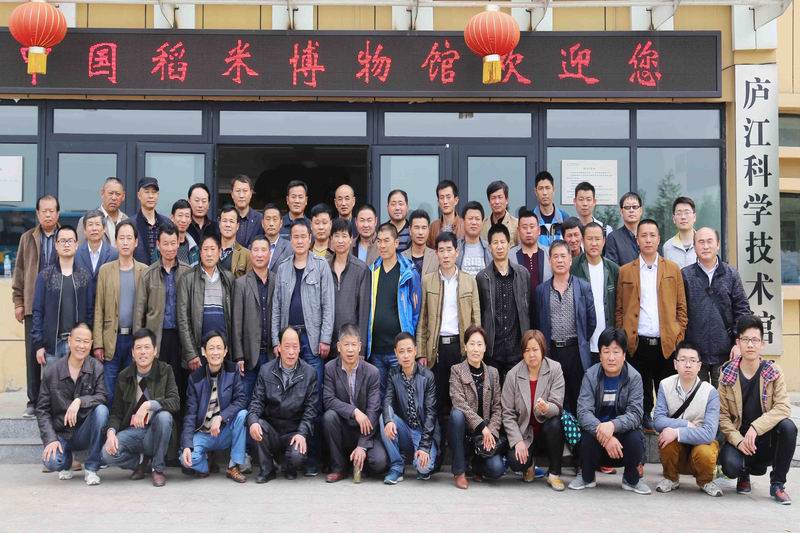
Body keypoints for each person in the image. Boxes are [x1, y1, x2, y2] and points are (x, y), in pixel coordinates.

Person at [271, 218, 335, 474]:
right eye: (294, 237)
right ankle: (292, 453)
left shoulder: (320, 266)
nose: (299, 241)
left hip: (311, 340)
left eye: (302, 236)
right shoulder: (283, 268)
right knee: (290, 399)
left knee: (314, 400)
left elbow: (328, 305)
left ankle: (313, 459)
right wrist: (276, 340)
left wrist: (325, 338)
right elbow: (276, 307)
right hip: (289, 341)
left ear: (310, 239)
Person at [616, 219, 688, 431]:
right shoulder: (625, 271)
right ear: (637, 240)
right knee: (641, 392)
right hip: (636, 342)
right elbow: (619, 309)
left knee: (667, 391)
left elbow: (681, 308)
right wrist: (623, 335)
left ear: (659, 239)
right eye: (643, 235)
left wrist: (678, 335)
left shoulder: (672, 269)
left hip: (666, 342)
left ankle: (666, 426)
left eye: (652, 235)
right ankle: (643, 425)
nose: (648, 239)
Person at [718, 315, 797, 505]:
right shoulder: (727, 374)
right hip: (739, 438)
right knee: (730, 466)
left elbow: (783, 407)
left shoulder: (773, 372)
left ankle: (777, 484)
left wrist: (755, 428)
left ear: (762, 344)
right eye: (745, 339)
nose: (750, 345)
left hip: (764, 439)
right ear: (738, 343)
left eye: (755, 340)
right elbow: (722, 416)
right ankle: (743, 474)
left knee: (788, 427)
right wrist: (738, 441)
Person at [569, 327, 650, 494]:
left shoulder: (634, 377)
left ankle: (631, 479)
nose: (611, 357)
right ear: (600, 355)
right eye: (606, 352)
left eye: (616, 352)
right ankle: (587, 477)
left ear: (624, 355)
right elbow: (583, 413)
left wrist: (612, 426)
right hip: (598, 439)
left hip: (622, 442)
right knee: (586, 437)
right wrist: (605, 435)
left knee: (635, 437)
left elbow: (635, 414)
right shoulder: (590, 375)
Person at [417, 231, 480, 430]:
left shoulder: (469, 281)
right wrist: (421, 352)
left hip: (460, 347)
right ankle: (437, 442)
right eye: (441, 250)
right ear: (436, 253)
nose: (445, 255)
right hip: (436, 349)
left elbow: (475, 320)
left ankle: (459, 442)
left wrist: (475, 348)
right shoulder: (427, 280)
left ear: (456, 252)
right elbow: (423, 319)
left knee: (461, 400)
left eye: (449, 250)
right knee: (436, 399)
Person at [102, 328, 180, 487]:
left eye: (147, 347)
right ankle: (140, 461)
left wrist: (149, 405)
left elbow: (175, 402)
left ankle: (158, 468)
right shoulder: (124, 376)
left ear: (155, 351)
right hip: (133, 433)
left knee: (164, 417)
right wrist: (111, 432)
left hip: (156, 431)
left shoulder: (165, 370)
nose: (143, 352)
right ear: (132, 352)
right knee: (106, 454)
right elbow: (116, 412)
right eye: (138, 348)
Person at [36, 323, 108, 486]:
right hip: (62, 432)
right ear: (69, 341)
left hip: (84, 431)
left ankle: (91, 467)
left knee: (102, 411)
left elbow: (102, 396)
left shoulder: (96, 367)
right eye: (78, 340)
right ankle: (66, 460)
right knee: (52, 462)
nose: (82, 346)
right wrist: (51, 439)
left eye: (86, 342)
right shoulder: (52, 371)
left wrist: (80, 401)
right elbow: (42, 410)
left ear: (91, 344)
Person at [247, 326, 318, 483]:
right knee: (256, 424)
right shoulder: (266, 371)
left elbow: (311, 410)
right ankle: (267, 470)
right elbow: (256, 402)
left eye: (295, 347)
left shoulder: (309, 373)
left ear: (300, 348)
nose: (291, 352)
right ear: (279, 347)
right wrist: (252, 421)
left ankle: (288, 466)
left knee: (297, 456)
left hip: (293, 432)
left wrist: (302, 433)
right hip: (272, 430)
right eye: (287, 346)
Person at [133, 223, 192, 412]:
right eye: (165, 244)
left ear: (178, 243)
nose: (169, 248)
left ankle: (178, 426)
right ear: (158, 245)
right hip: (157, 337)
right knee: (156, 385)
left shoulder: (187, 271)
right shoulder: (148, 274)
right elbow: (139, 313)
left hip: (181, 337)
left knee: (180, 384)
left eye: (173, 243)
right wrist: (140, 344)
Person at [533, 240, 596, 416]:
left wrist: (581, 340)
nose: (559, 260)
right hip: (552, 352)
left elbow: (591, 321)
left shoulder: (583, 287)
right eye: (555, 257)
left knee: (578, 399)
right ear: (550, 261)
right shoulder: (541, 291)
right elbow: (537, 322)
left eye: (563, 256)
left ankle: (579, 433)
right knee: (556, 399)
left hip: (576, 351)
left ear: (570, 259)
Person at [682, 227, 751, 387]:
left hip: (725, 353)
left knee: (724, 398)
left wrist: (738, 343)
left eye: (709, 241)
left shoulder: (731, 274)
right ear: (694, 246)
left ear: (718, 244)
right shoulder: (685, 275)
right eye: (701, 242)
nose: (705, 246)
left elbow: (742, 310)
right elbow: (679, 313)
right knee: (697, 398)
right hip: (694, 354)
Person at [653, 341, 723, 497]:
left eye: (693, 360)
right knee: (666, 437)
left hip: (700, 446)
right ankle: (670, 478)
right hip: (677, 448)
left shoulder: (710, 392)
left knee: (705, 451)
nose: (688, 365)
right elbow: (657, 421)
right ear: (675, 364)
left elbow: (709, 434)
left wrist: (677, 432)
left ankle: (705, 481)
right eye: (683, 360)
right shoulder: (665, 385)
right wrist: (685, 424)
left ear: (699, 366)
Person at [322, 324, 388, 483]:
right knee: (329, 417)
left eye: (354, 345)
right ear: (339, 347)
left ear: (360, 347)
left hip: (365, 430)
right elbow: (328, 400)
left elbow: (373, 410)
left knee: (379, 463)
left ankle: (359, 462)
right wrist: (354, 411)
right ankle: (338, 468)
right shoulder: (330, 368)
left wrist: (362, 445)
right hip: (343, 428)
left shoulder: (372, 372)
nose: (350, 350)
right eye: (346, 345)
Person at [502, 329, 566, 490]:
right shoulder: (513, 375)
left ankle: (554, 474)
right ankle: (529, 466)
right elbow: (507, 413)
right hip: (524, 433)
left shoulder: (555, 369)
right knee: (515, 461)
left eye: (535, 349)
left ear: (543, 349)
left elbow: (557, 405)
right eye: (527, 350)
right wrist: (517, 441)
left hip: (546, 431)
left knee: (555, 424)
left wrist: (547, 408)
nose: (531, 354)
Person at [13, 194, 60, 417]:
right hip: (34, 305)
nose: (48, 215)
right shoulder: (27, 238)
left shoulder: (66, 236)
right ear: (37, 214)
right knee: (33, 354)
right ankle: (33, 401)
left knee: (57, 353)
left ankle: (55, 401)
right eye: (44, 211)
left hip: (58, 304)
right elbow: (19, 271)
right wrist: (19, 302)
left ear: (58, 213)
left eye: (52, 211)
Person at [181, 331, 249, 483]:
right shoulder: (195, 378)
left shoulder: (232, 370)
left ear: (225, 351)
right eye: (211, 348)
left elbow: (241, 400)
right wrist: (186, 445)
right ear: (204, 352)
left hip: (224, 431)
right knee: (186, 460)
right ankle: (204, 465)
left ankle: (233, 466)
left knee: (243, 415)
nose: (215, 352)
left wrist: (221, 417)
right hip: (203, 433)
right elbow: (190, 414)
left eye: (219, 348)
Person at [93, 220, 146, 405]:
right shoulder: (105, 271)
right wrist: (98, 344)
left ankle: (127, 424)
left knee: (131, 391)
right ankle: (108, 423)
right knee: (109, 392)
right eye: (121, 238)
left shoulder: (144, 271)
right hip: (111, 340)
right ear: (115, 242)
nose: (125, 242)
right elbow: (99, 308)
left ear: (136, 242)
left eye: (129, 238)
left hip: (134, 339)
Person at [367, 222, 422, 391]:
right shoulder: (372, 271)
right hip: (376, 349)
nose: (382, 245)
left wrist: (410, 340)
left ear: (396, 243)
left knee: (401, 394)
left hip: (398, 349)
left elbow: (416, 312)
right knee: (379, 394)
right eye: (379, 241)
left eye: (386, 241)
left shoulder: (409, 273)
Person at [449, 325, 505, 489]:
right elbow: (458, 402)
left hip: (484, 437)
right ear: (465, 346)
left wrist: (491, 432)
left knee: (497, 469)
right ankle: (459, 471)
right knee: (456, 414)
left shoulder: (493, 373)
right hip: (464, 434)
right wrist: (482, 426)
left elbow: (498, 408)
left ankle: (477, 465)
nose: (475, 349)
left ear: (485, 348)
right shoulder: (456, 370)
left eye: (479, 344)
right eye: (472, 344)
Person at [380, 333, 439, 484]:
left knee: (424, 468)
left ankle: (419, 461)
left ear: (415, 351)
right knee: (384, 418)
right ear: (396, 353)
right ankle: (397, 467)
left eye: (409, 350)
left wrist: (424, 446)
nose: (405, 355)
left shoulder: (427, 376)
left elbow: (431, 414)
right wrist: (389, 420)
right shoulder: (393, 373)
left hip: (423, 432)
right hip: (405, 429)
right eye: (401, 351)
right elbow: (387, 400)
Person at [32, 225, 94, 367]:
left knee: (79, 382)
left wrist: (87, 342)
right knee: (52, 382)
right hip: (52, 346)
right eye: (62, 241)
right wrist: (38, 344)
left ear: (76, 245)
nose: (66, 244)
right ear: (56, 245)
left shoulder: (85, 276)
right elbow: (37, 312)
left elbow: (90, 312)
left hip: (78, 346)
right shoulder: (45, 276)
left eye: (70, 241)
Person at [476, 224, 531, 382]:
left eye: (502, 242)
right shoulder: (482, 278)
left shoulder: (522, 274)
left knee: (518, 392)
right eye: (495, 243)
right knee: (492, 393)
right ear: (489, 247)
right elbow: (481, 312)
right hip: (493, 350)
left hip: (517, 348)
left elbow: (528, 310)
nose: (499, 246)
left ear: (509, 244)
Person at [177, 233, 235, 375]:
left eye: (213, 249)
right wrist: (191, 353)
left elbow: (234, 317)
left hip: (222, 349)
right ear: (200, 253)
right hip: (198, 348)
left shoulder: (228, 278)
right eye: (205, 249)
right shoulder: (188, 279)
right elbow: (183, 319)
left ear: (219, 252)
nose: (209, 254)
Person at [232, 235, 274, 402]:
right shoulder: (241, 283)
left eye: (263, 250)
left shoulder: (277, 280)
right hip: (249, 356)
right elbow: (236, 323)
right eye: (256, 250)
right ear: (250, 253)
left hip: (271, 354)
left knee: (270, 402)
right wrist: (239, 356)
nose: (259, 254)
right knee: (245, 401)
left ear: (269, 253)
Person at [571, 222, 620, 364]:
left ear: (604, 241)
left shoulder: (613, 269)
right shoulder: (573, 267)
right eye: (589, 239)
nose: (594, 243)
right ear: (582, 241)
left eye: (597, 239)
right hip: (582, 341)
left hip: (608, 341)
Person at [328, 218, 370, 356]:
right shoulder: (324, 268)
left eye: (344, 236)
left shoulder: (361, 269)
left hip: (352, 342)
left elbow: (364, 312)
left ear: (351, 239)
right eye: (336, 236)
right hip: (328, 341)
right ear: (331, 239)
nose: (340, 240)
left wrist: (361, 348)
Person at [509, 208, 551, 325]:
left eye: (532, 227)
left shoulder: (549, 254)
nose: (528, 231)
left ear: (539, 230)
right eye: (524, 227)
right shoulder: (510, 256)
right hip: (518, 317)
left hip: (545, 314)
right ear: (518, 230)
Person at [130, 177, 171, 265]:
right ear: (139, 195)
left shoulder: (167, 223)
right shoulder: (130, 224)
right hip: (140, 273)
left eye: (154, 192)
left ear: (158, 195)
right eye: (147, 192)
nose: (151, 196)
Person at [77, 177, 128, 245]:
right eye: (110, 193)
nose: (114, 198)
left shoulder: (127, 220)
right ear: (102, 193)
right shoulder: (86, 221)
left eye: (118, 194)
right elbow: (79, 248)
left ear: (123, 196)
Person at [75, 209, 119, 284]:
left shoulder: (114, 254)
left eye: (97, 224)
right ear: (84, 230)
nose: (94, 229)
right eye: (90, 224)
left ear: (104, 228)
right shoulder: (76, 254)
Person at [604, 192, 642, 267]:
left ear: (640, 211)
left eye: (635, 207)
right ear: (621, 212)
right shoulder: (613, 237)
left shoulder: (649, 236)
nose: (631, 210)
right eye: (627, 207)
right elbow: (612, 268)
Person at [533, 171, 569, 247]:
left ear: (553, 190)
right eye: (541, 188)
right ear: (536, 192)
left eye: (547, 188)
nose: (544, 193)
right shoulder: (531, 219)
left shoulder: (564, 218)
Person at [456, 201, 492, 278]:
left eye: (477, 219)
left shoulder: (489, 248)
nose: (474, 222)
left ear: (482, 222)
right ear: (463, 221)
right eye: (470, 218)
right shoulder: (455, 247)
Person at [402, 209, 439, 278]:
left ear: (428, 230)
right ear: (410, 230)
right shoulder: (401, 258)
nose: (420, 232)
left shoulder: (437, 257)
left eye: (424, 228)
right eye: (416, 228)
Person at [663, 197, 698, 268]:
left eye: (687, 213)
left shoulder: (703, 243)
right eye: (679, 213)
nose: (683, 217)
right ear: (673, 219)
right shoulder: (667, 247)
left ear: (694, 217)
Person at [481, 180, 518, 246]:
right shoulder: (482, 225)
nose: (497, 202)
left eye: (500, 197)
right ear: (489, 201)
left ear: (507, 200)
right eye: (493, 198)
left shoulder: (516, 224)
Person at [428, 180, 464, 247]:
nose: (445, 201)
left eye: (448, 197)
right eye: (441, 198)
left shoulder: (464, 226)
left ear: (456, 200)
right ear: (438, 202)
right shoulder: (433, 227)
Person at [218, 205, 251, 278]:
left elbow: (249, 282)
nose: (228, 225)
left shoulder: (247, 255)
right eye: (224, 221)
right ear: (219, 224)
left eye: (231, 221)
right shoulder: (210, 250)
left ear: (237, 226)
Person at [230, 174, 263, 247]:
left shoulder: (260, 219)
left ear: (251, 194)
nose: (241, 195)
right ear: (232, 194)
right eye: (238, 191)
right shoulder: (225, 219)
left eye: (245, 191)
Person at [262, 203, 292, 271]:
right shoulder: (253, 246)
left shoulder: (289, 248)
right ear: (262, 223)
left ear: (281, 223)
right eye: (268, 219)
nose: (271, 224)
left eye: (275, 219)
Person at [169, 199, 199, 267]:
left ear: (190, 220)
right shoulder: (162, 246)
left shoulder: (194, 248)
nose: (183, 220)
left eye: (187, 216)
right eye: (180, 215)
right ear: (172, 217)